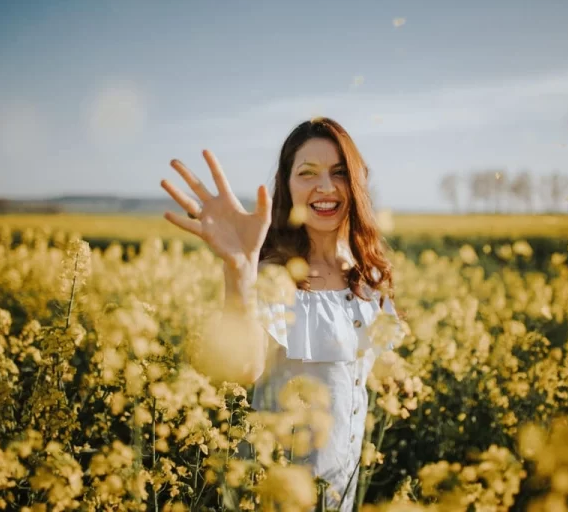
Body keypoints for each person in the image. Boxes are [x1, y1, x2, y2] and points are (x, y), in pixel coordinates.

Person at [160, 117, 404, 511]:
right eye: (307, 173)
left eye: (339, 173)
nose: (325, 187)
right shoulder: (274, 273)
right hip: (274, 494)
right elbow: (243, 368)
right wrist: (241, 268)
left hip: (341, 495)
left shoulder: (370, 275)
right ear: (287, 187)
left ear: (357, 184)